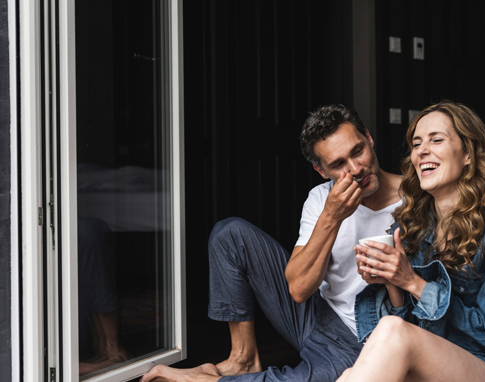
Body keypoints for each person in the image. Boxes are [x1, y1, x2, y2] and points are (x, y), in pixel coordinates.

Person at [140, 104, 402, 382]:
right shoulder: (321, 199)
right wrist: (332, 217)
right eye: (338, 165)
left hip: (355, 342)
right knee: (230, 235)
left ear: (369, 138)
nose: (356, 169)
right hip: (314, 314)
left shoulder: (416, 199)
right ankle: (242, 359)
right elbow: (299, 290)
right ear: (321, 170)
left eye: (358, 151)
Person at [337, 100, 485, 382]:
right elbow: (410, 327)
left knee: (388, 333)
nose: (422, 150)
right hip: (436, 361)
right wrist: (391, 279)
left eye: (436, 140)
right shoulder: (414, 226)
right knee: (353, 373)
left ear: (468, 154)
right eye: (416, 144)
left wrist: (412, 281)